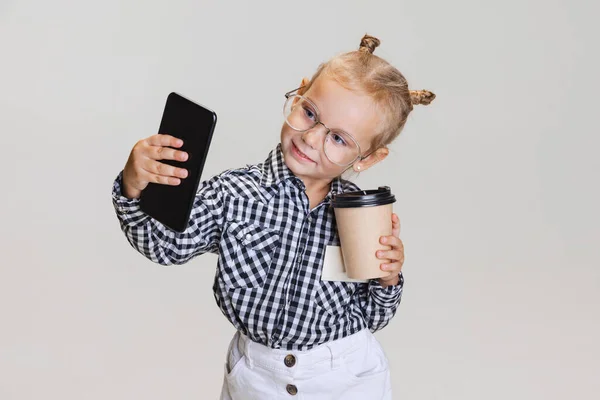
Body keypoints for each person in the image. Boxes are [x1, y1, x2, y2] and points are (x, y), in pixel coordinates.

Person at [111, 33, 435, 400]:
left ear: (368, 159)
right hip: (257, 378)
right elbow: (165, 246)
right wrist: (133, 188)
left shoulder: (360, 217)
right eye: (310, 113)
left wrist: (388, 279)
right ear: (298, 94)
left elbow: (371, 318)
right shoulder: (234, 193)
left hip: (344, 376)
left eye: (339, 139)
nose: (312, 138)